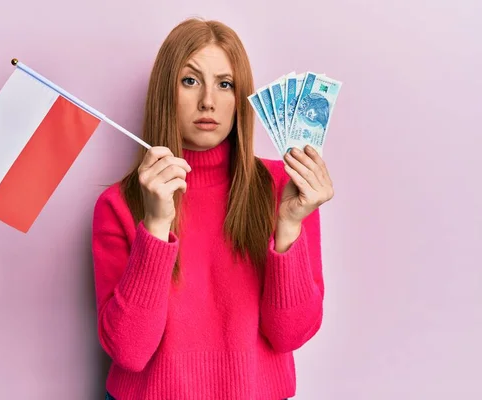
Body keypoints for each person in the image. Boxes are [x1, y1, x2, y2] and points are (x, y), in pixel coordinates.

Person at [91, 17, 334, 400]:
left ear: (241, 97)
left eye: (225, 84)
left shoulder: (285, 192)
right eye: (190, 80)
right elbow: (129, 351)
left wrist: (289, 226)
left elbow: (291, 334)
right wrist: (155, 225)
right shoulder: (119, 204)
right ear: (165, 92)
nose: (208, 101)